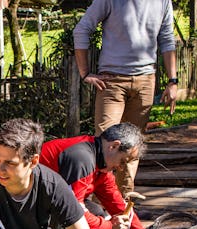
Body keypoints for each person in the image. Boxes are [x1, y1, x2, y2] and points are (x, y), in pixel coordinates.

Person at [73, 0, 178, 193]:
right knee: (104, 144)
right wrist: (85, 73)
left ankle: (123, 206)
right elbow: (81, 29)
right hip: (111, 81)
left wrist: (173, 81)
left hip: (146, 80)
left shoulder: (163, 2)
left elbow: (166, 38)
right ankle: (98, 207)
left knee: (132, 146)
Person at [40, 123, 166, 229]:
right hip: (30, 204)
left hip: (52, 198)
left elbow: (119, 207)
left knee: (98, 213)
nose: (120, 168)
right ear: (114, 146)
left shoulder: (101, 166)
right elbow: (73, 212)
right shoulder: (82, 159)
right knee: (90, 218)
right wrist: (109, 227)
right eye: (123, 161)